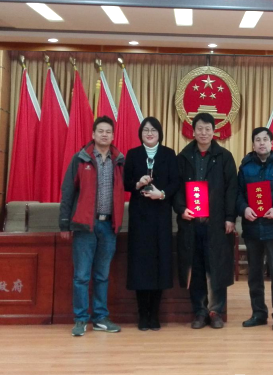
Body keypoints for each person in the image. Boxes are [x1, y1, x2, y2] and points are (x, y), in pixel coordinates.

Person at [59, 115, 125, 337]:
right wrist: (64, 224)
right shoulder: (81, 159)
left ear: (113, 136)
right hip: (84, 226)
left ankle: (100, 318)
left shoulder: (119, 161)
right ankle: (80, 319)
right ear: (93, 134)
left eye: (108, 132)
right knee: (81, 276)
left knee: (102, 275)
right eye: (101, 131)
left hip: (109, 226)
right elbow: (68, 192)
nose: (104, 135)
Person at [173, 112, 237, 329]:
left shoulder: (224, 157)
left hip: (216, 224)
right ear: (193, 131)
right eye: (199, 129)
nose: (203, 133)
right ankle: (200, 312)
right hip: (191, 223)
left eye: (207, 129)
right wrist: (181, 209)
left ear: (213, 131)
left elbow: (231, 189)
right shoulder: (183, 157)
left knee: (216, 268)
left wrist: (230, 217)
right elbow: (176, 188)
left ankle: (216, 311)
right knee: (197, 269)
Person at [236, 127, 273, 331]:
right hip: (252, 228)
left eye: (265, 139)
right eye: (257, 140)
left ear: (271, 143)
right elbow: (237, 194)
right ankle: (258, 313)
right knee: (254, 274)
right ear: (253, 145)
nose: (261, 143)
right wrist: (244, 209)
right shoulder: (245, 167)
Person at [124, 117, 179, 331]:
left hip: (161, 216)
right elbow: (125, 183)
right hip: (139, 217)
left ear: (159, 133)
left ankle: (154, 314)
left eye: (153, 130)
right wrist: (138, 184)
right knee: (140, 265)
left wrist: (162, 194)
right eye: (146, 129)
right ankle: (142, 314)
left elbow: (175, 182)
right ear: (140, 133)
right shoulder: (133, 154)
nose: (149, 133)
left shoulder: (169, 154)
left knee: (159, 264)